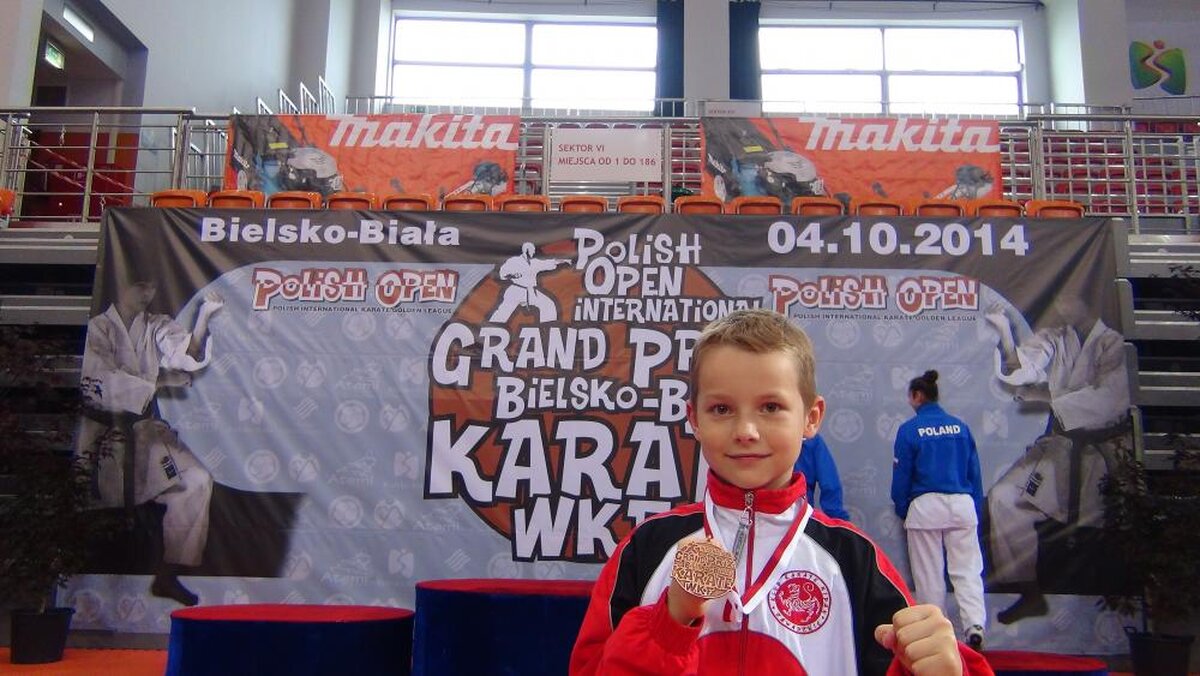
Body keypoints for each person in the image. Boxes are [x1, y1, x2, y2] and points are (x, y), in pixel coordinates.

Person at [570, 309, 991, 675]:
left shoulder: (853, 559)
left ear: (811, 417)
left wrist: (943, 668)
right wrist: (669, 623)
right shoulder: (647, 549)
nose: (746, 431)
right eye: (721, 409)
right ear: (694, 418)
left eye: (770, 407)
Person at [77, 274, 224, 606]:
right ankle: (92, 587)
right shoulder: (99, 328)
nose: (147, 292)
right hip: (104, 432)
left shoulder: (155, 325)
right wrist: (159, 383)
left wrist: (204, 315)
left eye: (151, 286)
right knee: (100, 504)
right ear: (121, 286)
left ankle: (167, 574)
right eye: (139, 285)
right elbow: (99, 382)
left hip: (144, 429)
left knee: (196, 480)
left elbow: (186, 353)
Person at [983, 295, 1131, 624]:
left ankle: (1104, 608)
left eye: (1069, 302)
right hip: (1060, 444)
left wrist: (1049, 398)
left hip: (1101, 451)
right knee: (1003, 499)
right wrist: (1005, 332)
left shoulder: (1112, 344)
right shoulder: (1057, 337)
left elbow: (1110, 399)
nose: (1062, 307)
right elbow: (1021, 368)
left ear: (1088, 303)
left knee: (1103, 524)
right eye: (1060, 303)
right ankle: (1029, 592)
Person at [891, 370, 987, 651]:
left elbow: (902, 477)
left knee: (929, 576)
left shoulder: (909, 430)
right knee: (967, 570)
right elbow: (974, 473)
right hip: (962, 504)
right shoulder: (960, 427)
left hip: (925, 508)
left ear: (917, 396)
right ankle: (975, 625)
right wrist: (975, 508)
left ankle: (937, 636)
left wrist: (903, 508)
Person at [489, 241, 571, 323]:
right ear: (526, 250)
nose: (533, 253)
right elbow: (502, 274)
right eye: (532, 251)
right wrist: (513, 275)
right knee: (503, 311)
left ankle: (546, 327)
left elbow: (550, 262)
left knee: (548, 304)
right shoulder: (514, 261)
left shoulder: (534, 262)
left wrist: (564, 260)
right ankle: (491, 327)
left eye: (534, 251)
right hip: (516, 290)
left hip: (531, 291)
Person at [794, 433, 851, 520]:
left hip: (800, 516)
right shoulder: (811, 440)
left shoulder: (811, 441)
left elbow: (829, 484)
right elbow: (830, 484)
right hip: (801, 518)